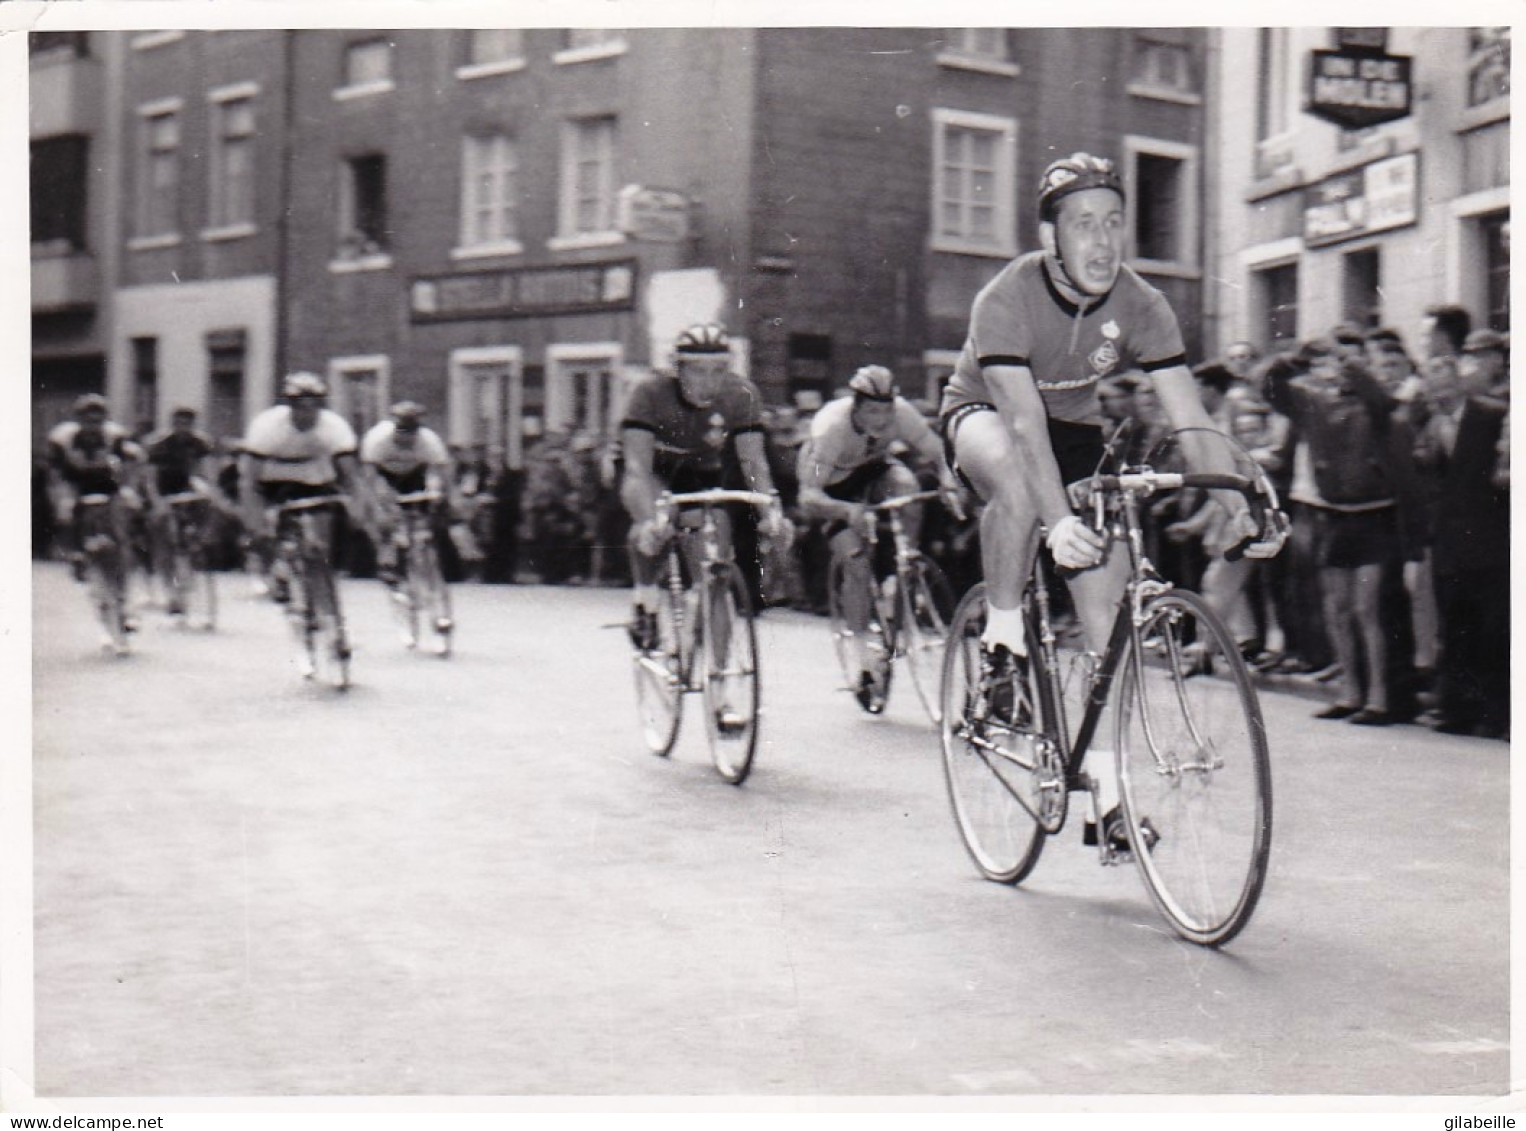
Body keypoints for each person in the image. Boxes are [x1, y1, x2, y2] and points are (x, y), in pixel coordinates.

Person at [938, 152, 1282, 853]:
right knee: (1014, 480)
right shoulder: (1006, 297)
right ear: (1050, 238)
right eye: (1083, 224)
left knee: (1109, 615)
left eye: (1114, 223)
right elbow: (1025, 427)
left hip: (1074, 428)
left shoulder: (1142, 304)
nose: (1101, 241)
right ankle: (1003, 640)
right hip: (987, 410)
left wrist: (1237, 496)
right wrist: (1057, 519)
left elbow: (1190, 419)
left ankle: (1108, 800)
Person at [621, 323, 789, 675]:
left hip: (701, 471)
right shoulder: (649, 391)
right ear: (677, 368)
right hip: (654, 467)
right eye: (697, 371)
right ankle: (646, 599)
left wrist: (770, 506)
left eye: (718, 370)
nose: (708, 382)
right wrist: (651, 518)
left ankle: (721, 679)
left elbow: (752, 460)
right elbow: (637, 466)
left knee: (716, 571)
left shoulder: (741, 394)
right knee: (653, 530)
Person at [1265, 340, 1415, 726]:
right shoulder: (1314, 402)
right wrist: (1298, 358)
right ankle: (1350, 691)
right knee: (1337, 609)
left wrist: (1346, 360)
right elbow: (1268, 385)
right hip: (1332, 515)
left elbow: (1382, 399)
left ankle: (1379, 697)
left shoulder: (1375, 403)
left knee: (1368, 610)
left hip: (1373, 516)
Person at [796, 364, 962, 709]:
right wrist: (845, 512)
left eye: (886, 410)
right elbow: (807, 498)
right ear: (855, 406)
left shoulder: (902, 414)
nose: (881, 419)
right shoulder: (831, 428)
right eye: (872, 411)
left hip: (874, 470)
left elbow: (940, 451)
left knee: (909, 489)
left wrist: (948, 480)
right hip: (833, 488)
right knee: (855, 562)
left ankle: (902, 569)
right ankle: (861, 658)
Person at [238, 373, 368, 609]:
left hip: (315, 477)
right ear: (290, 407)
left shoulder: (334, 427)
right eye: (299, 406)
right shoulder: (266, 426)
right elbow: (249, 480)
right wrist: (254, 521)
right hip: (273, 478)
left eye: (313, 406)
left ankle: (324, 600)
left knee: (322, 538)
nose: (307, 413)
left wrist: (358, 509)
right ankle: (277, 568)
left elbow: (351, 476)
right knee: (269, 530)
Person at [46, 394, 146, 633]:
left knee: (122, 534)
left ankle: (127, 606)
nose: (93, 425)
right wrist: (61, 500)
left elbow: (132, 464)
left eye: (98, 420)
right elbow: (55, 477)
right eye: (87, 420)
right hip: (76, 487)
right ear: (78, 420)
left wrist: (130, 491)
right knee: (66, 512)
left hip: (108, 489)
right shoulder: (63, 440)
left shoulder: (114, 437)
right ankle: (75, 555)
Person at [359, 401, 472, 592]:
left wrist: (452, 500)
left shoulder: (429, 440)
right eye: (402, 435)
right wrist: (377, 509)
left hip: (414, 475)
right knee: (387, 516)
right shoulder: (377, 440)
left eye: (412, 436)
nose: (407, 441)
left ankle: (421, 548)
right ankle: (388, 561)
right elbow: (369, 481)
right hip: (384, 475)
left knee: (422, 510)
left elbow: (444, 475)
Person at [143, 407, 219, 616]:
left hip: (188, 491)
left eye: (187, 424)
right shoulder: (159, 445)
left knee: (209, 506)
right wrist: (157, 502)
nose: (183, 428)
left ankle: (201, 541)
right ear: (173, 424)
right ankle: (170, 591)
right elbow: (150, 479)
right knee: (163, 534)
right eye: (179, 423)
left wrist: (209, 491)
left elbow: (207, 472)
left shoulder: (199, 443)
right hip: (163, 491)